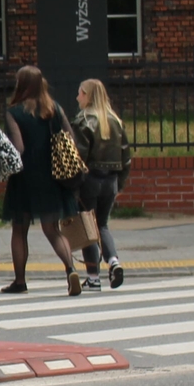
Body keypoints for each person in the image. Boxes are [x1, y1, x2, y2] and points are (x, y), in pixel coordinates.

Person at [0, 65, 82, 296]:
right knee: (52, 229)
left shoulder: (13, 112)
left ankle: (20, 281)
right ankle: (70, 269)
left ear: (21, 84)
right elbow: (70, 139)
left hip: (25, 178)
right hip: (52, 175)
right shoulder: (54, 108)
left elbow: (19, 147)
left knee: (19, 229)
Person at [73, 78, 133, 291]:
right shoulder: (115, 121)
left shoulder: (83, 121)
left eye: (80, 93)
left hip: (90, 181)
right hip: (111, 181)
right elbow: (126, 157)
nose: (77, 97)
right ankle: (114, 261)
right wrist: (120, 183)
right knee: (103, 224)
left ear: (87, 96)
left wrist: (73, 185)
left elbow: (78, 157)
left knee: (88, 226)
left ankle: (93, 277)